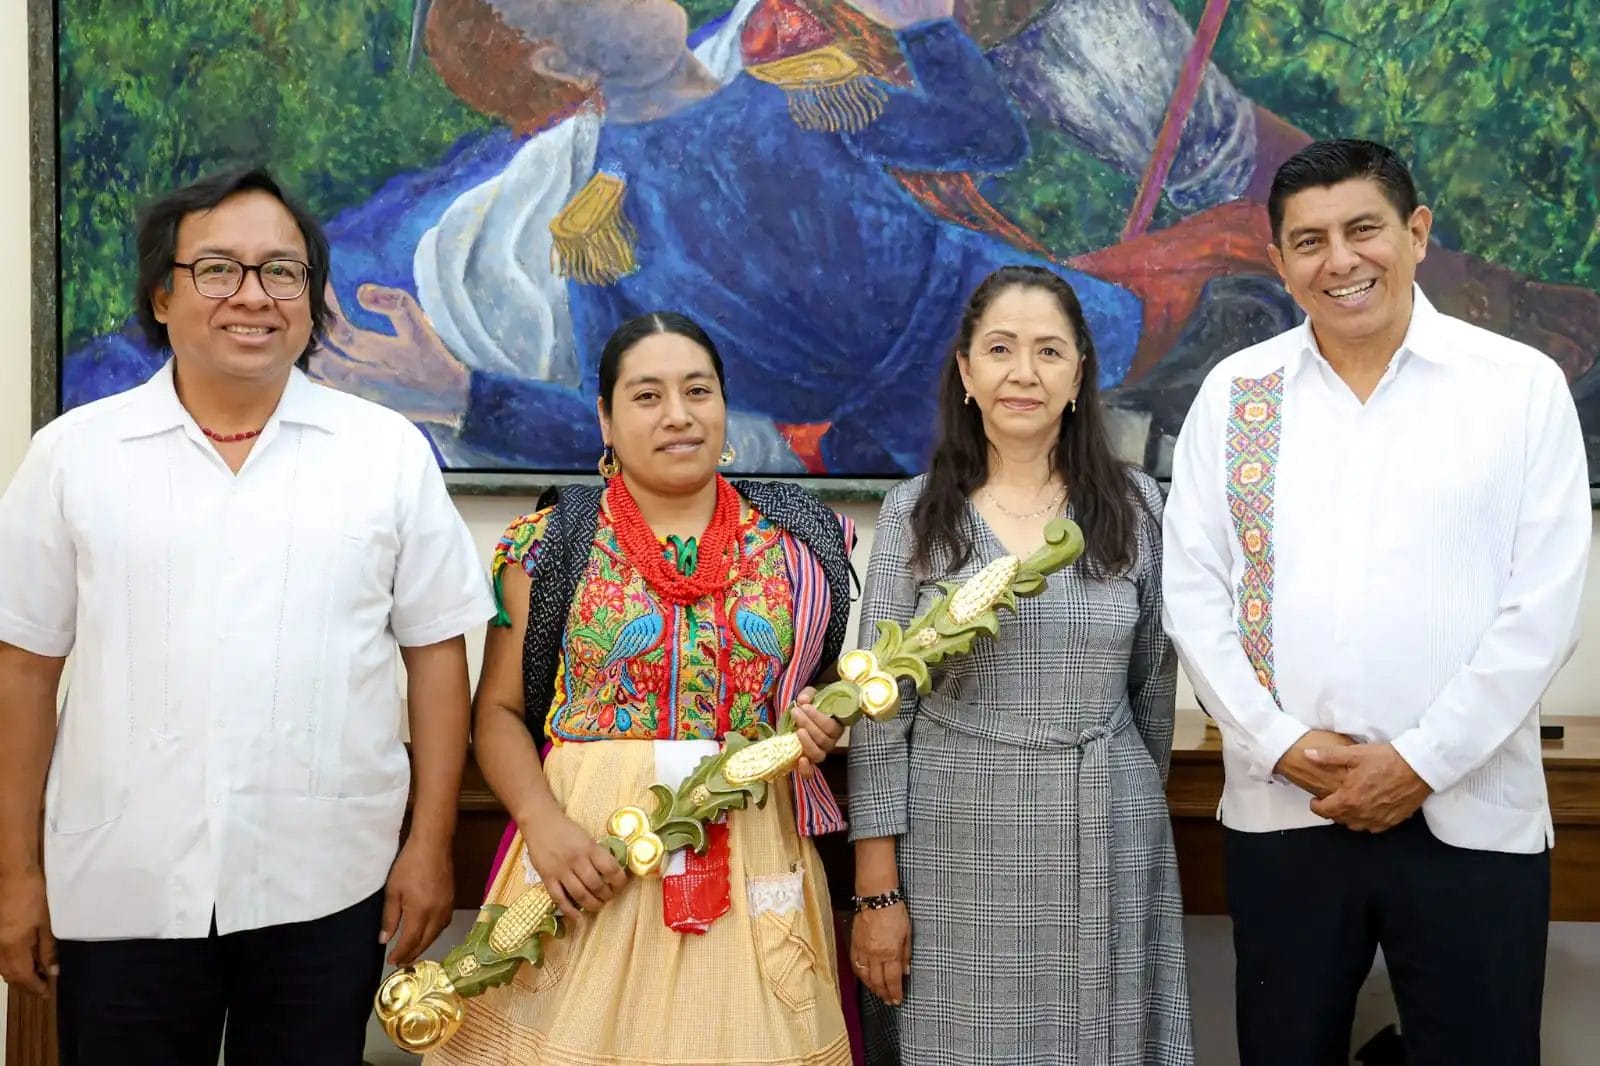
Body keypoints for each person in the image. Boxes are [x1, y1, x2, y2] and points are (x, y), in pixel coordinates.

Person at [0, 168, 495, 1065]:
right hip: (122, 887)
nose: (253, 297)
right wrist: (16, 877)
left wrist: (428, 850)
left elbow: (435, 655)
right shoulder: (74, 456)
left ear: (311, 298)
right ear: (162, 295)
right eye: (219, 269)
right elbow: (24, 670)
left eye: (282, 272)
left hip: (325, 883)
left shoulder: (383, 455)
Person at [1161, 139, 1592, 1066]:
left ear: (1418, 232)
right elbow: (1194, 594)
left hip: (1470, 809)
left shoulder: (1517, 389)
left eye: (1364, 229)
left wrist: (1421, 761)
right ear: (1278, 263)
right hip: (1288, 808)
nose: (1340, 261)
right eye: (1309, 241)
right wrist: (1279, 742)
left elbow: (1545, 604)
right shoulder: (1237, 396)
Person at [426, 311, 859, 1065]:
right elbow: (495, 713)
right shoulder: (551, 543)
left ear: (725, 407)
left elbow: (811, 690)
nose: (679, 415)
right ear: (605, 417)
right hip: (585, 860)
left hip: (751, 846)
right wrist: (544, 827)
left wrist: (814, 722)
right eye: (648, 396)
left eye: (698, 391)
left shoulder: (801, 543)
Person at [847, 265, 1192, 1065]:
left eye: (1048, 351)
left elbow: (1153, 686)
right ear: (967, 372)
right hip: (953, 841)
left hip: (1108, 828)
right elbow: (878, 708)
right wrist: (878, 888)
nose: (1023, 373)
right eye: (1000, 349)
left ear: (1079, 375)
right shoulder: (915, 512)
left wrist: (1121, 797)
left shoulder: (1137, 507)